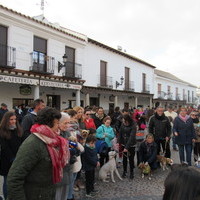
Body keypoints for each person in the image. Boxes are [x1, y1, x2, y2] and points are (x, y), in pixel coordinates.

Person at [7, 107, 70, 200]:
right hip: (34, 194)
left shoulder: (52, 140)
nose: (58, 126)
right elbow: (14, 178)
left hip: (47, 193)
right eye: (57, 123)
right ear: (49, 123)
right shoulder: (34, 143)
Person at [0, 112, 22, 200]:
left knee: (17, 181)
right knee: (7, 180)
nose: (13, 121)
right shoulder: (2, 130)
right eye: (11, 119)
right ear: (6, 120)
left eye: (15, 119)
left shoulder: (18, 129)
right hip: (7, 159)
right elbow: (4, 147)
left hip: (19, 158)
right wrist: (12, 158)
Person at [55, 112, 72, 200]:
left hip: (67, 166)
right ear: (58, 123)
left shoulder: (66, 133)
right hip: (59, 170)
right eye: (65, 123)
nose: (68, 125)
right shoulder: (55, 135)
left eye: (69, 123)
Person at [118, 114, 136, 179]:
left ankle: (131, 172)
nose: (123, 122)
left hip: (131, 144)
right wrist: (118, 142)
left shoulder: (133, 125)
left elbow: (132, 136)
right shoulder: (123, 124)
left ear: (127, 120)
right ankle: (124, 171)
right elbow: (120, 133)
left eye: (124, 121)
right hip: (123, 143)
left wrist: (127, 147)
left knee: (131, 159)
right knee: (124, 159)